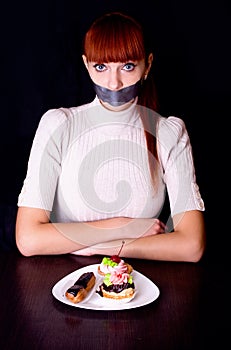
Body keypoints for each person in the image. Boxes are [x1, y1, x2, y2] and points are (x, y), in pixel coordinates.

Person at [15, 11, 206, 261]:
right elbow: (28, 239)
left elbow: (192, 245)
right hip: (61, 281)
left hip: (138, 284)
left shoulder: (169, 132)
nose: (114, 83)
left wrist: (106, 248)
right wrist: (124, 226)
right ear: (86, 65)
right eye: (101, 67)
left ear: (147, 65)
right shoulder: (59, 125)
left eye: (127, 67)